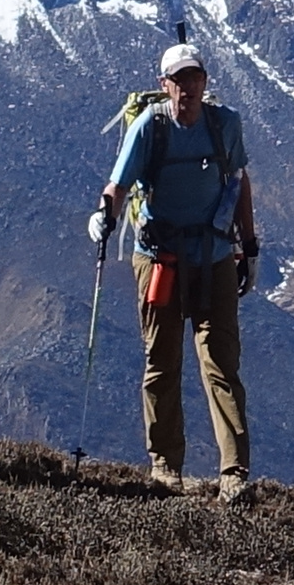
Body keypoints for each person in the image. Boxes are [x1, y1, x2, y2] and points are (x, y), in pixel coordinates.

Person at [97, 39, 260, 496]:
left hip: (213, 260)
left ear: (205, 82)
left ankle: (234, 474)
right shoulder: (150, 127)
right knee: (161, 362)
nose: (187, 87)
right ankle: (165, 465)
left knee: (221, 364)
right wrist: (105, 215)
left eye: (195, 78)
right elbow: (119, 185)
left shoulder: (224, 125)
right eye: (179, 79)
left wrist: (249, 246)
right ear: (164, 85)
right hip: (160, 261)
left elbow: (238, 182)